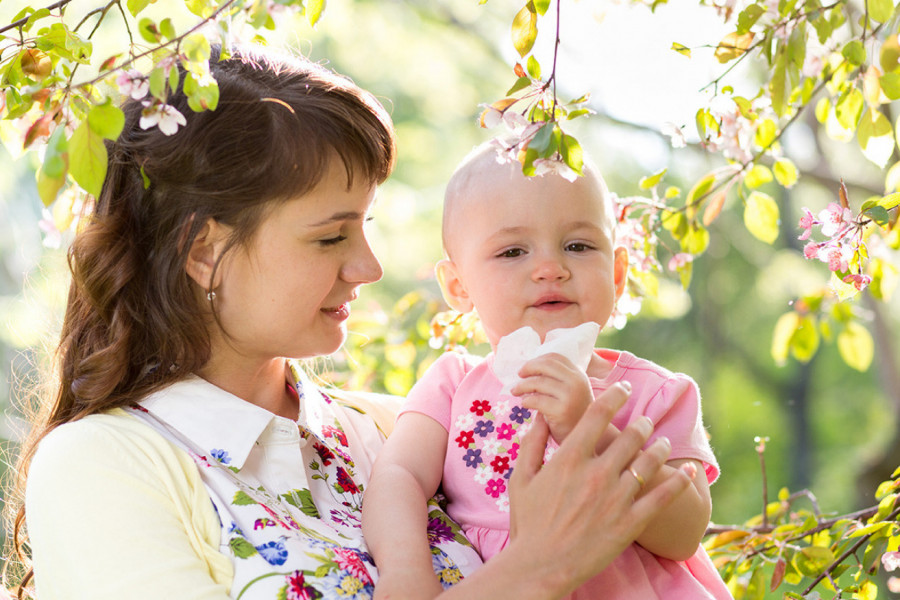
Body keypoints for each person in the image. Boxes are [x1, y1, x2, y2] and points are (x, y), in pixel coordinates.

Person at [4, 45, 694, 600]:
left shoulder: (398, 432)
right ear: (205, 250)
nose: (369, 266)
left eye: (365, 227)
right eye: (331, 237)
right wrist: (536, 572)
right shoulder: (102, 466)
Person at [362, 142, 732, 599]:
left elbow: (683, 535)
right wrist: (404, 570)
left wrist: (590, 428)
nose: (550, 268)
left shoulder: (655, 393)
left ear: (616, 274)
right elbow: (398, 477)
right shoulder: (454, 383)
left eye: (578, 245)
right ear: (459, 286)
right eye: (513, 251)